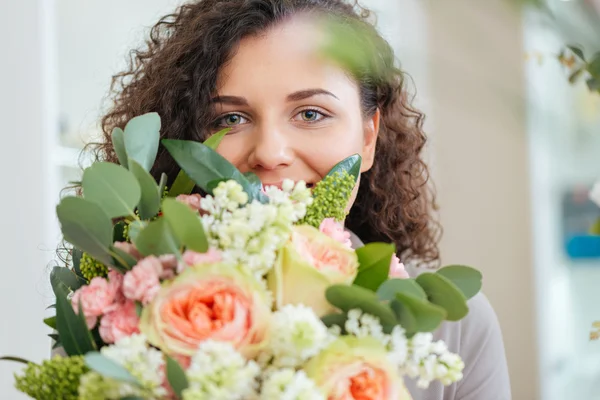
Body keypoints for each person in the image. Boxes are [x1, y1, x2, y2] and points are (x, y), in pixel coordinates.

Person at [93, 1, 511, 399]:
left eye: (311, 114)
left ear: (368, 138)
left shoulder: (455, 326)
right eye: (231, 119)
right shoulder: (122, 316)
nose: (271, 153)